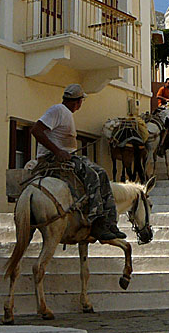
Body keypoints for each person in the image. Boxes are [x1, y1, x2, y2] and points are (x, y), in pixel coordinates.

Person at [31, 84, 126, 241]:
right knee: (94, 175)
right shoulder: (58, 110)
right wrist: (57, 151)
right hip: (52, 158)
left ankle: (109, 223)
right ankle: (97, 222)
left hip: (64, 156)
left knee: (100, 173)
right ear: (78, 102)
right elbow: (36, 130)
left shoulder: (65, 112)